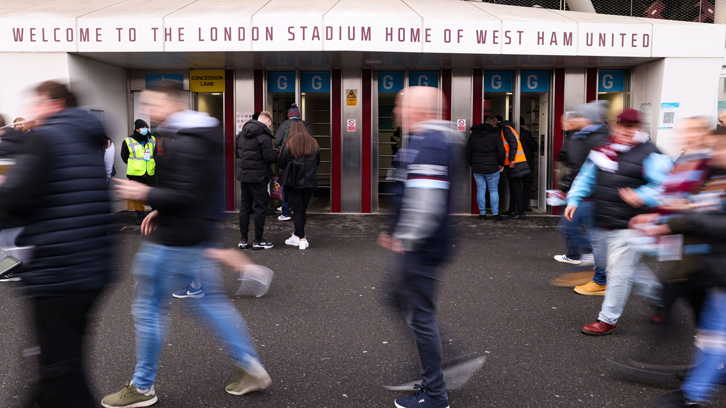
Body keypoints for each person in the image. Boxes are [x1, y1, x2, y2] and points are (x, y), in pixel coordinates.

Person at [102, 83, 271, 407]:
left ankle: (142, 386)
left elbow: (188, 192)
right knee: (209, 302)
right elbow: (197, 190)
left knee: (148, 309)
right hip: (192, 235)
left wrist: (146, 195)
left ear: (173, 103)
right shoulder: (195, 135)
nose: (149, 111)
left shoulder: (186, 141)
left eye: (154, 103)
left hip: (174, 241)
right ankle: (251, 366)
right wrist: (163, 208)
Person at [0, 81, 112, 408]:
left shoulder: (47, 140)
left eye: (39, 103)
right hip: (89, 268)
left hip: (57, 269)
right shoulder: (88, 139)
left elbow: (14, 202)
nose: (34, 111)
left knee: (59, 370)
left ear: (57, 104)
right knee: (60, 362)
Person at [379, 86, 465, 408]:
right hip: (418, 244)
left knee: (420, 315)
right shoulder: (420, 141)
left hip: (421, 248)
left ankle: (435, 392)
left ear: (420, 110)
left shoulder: (429, 143)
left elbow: (427, 203)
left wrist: (406, 238)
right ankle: (446, 362)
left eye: (402, 105)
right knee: (397, 300)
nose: (397, 111)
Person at [565, 108, 672, 334]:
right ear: (615, 126)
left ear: (639, 128)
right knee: (626, 270)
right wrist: (574, 199)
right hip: (602, 221)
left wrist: (642, 195)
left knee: (618, 272)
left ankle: (607, 319)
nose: (625, 130)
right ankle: (664, 300)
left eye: (631, 127)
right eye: (622, 125)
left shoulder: (651, 154)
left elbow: (666, 186)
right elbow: (586, 177)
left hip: (631, 225)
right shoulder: (603, 150)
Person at [650, 132, 726, 407]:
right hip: (714, 267)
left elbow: (715, 221)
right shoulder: (715, 177)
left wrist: (690, 214)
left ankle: (692, 395)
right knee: (714, 332)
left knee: (715, 334)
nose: (713, 152)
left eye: (719, 147)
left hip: (718, 268)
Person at [550, 103, 610, 289]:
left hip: (592, 196)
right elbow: (574, 164)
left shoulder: (598, 138)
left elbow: (584, 170)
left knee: (584, 233)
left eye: (580, 117)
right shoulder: (581, 136)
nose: (575, 120)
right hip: (580, 193)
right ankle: (593, 267)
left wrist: (568, 187)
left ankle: (597, 272)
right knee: (574, 229)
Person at [236, 110, 276, 250]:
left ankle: (243, 240)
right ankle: (258, 240)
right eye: (270, 123)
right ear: (267, 121)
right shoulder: (264, 137)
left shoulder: (240, 135)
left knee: (245, 208)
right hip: (259, 178)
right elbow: (269, 158)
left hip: (244, 177)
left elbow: (237, 154)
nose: (270, 126)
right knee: (260, 208)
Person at [278, 120, 320, 250]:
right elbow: (317, 162)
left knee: (297, 211)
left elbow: (281, 163)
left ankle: (302, 239)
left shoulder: (289, 143)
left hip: (294, 183)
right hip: (310, 183)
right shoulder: (314, 143)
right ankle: (296, 236)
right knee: (302, 211)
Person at [273, 103, 314, 221]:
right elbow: (312, 140)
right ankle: (294, 208)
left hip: (288, 160)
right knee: (299, 185)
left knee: (287, 185)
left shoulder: (285, 125)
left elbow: (276, 141)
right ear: (299, 115)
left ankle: (286, 212)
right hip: (304, 160)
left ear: (288, 115)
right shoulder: (305, 125)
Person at [467, 115, 506, 221]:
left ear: (484, 122)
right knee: (493, 190)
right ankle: (495, 214)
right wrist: (501, 164)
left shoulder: (473, 135)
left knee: (480, 190)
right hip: (492, 167)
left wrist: (473, 164)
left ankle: (482, 214)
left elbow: (468, 152)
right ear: (494, 124)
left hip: (477, 167)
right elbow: (501, 151)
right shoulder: (495, 134)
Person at [121, 119, 156, 224]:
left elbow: (155, 154)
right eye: (143, 128)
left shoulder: (152, 139)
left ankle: (154, 214)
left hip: (150, 172)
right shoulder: (128, 140)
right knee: (137, 197)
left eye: (146, 127)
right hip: (135, 173)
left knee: (152, 195)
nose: (145, 129)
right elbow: (124, 156)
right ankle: (140, 217)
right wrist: (136, 165)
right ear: (137, 129)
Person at [498, 116, 531, 219]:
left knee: (516, 187)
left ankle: (521, 212)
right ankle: (512, 210)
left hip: (514, 163)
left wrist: (511, 159)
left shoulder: (505, 129)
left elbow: (513, 144)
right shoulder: (510, 129)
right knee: (513, 187)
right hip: (518, 162)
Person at [518, 117, 539, 212]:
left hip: (515, 164)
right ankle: (523, 205)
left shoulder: (512, 134)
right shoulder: (526, 134)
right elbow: (534, 146)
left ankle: (515, 205)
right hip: (527, 163)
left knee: (516, 185)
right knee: (527, 185)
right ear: (523, 124)